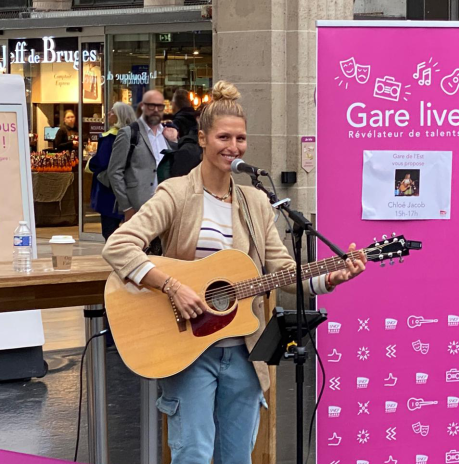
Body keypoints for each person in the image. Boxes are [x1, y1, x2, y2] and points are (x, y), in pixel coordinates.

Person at [102, 80, 367, 464]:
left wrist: (329, 277)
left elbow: (281, 271)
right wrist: (173, 286)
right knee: (192, 453)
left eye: (241, 138)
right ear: (205, 139)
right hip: (189, 350)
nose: (233, 147)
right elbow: (118, 246)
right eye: (224, 137)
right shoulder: (176, 194)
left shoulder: (256, 202)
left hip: (244, 349)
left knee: (237, 456)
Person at [107, 90, 176, 223]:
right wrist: (127, 207)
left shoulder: (168, 134)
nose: (156, 110)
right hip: (139, 206)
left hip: (165, 206)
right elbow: (114, 171)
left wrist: (174, 142)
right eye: (151, 106)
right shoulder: (129, 133)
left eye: (159, 107)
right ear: (143, 107)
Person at [89, 102, 137, 240]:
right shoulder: (136, 136)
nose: (108, 114)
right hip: (131, 187)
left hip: (109, 191)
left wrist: (92, 163)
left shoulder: (109, 138)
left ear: (119, 116)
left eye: (112, 112)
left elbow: (101, 162)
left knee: (109, 230)